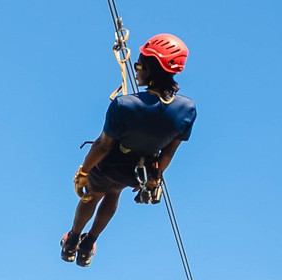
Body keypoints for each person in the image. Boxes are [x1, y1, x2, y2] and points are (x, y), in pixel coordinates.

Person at [61, 34, 196, 267]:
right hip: (135, 172)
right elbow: (168, 153)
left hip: (108, 163)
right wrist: (154, 179)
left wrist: (83, 172)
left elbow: (103, 145)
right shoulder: (187, 109)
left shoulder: (124, 105)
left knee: (92, 193)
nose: (135, 70)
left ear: (150, 70)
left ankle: (73, 239)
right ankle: (88, 244)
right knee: (113, 193)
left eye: (139, 65)